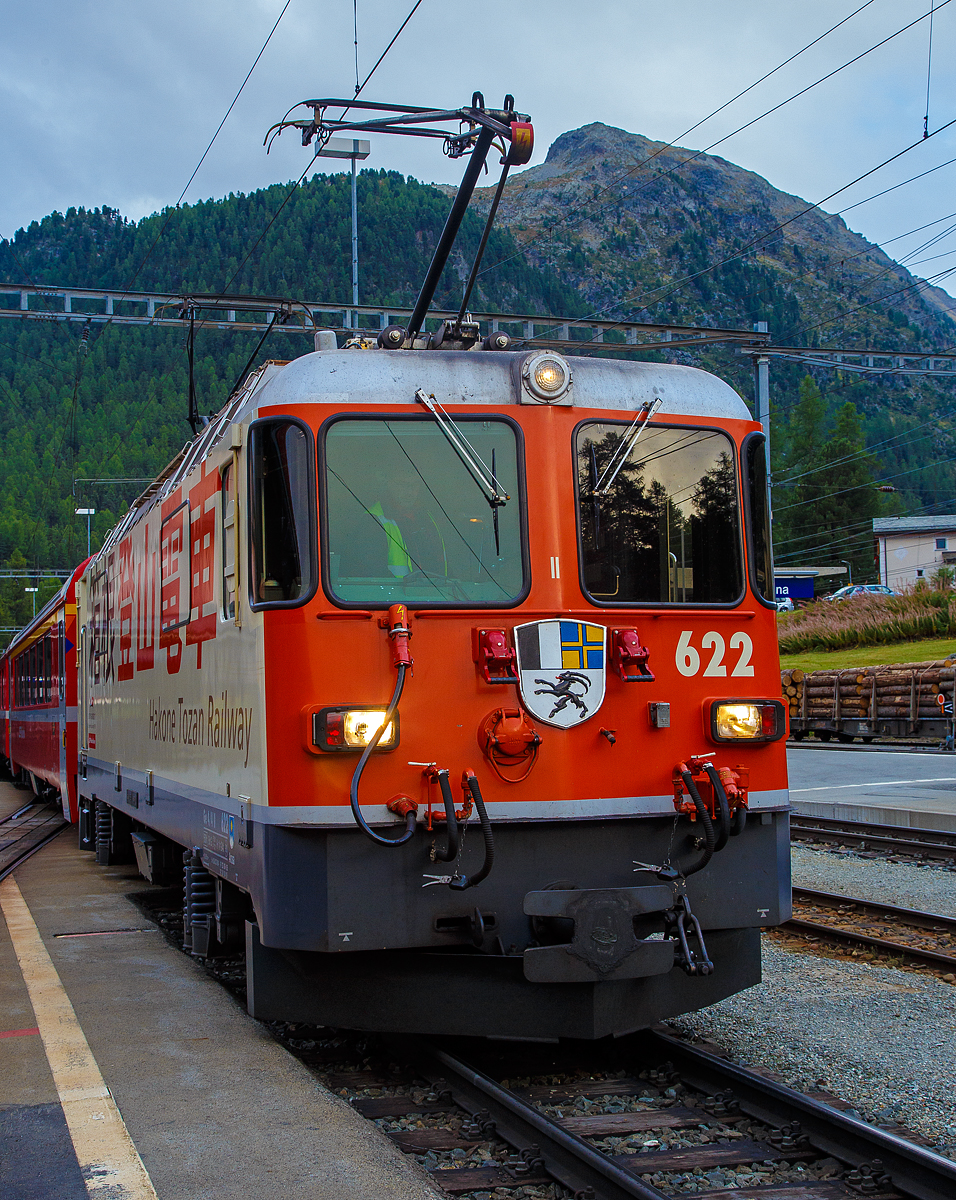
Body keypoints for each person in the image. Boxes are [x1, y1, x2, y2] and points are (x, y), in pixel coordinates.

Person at [370, 471, 447, 579]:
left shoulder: (427, 517)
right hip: (394, 590)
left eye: (415, 484)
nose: (410, 491)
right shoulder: (373, 520)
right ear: (388, 484)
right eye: (402, 484)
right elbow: (373, 574)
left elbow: (441, 565)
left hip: (435, 589)